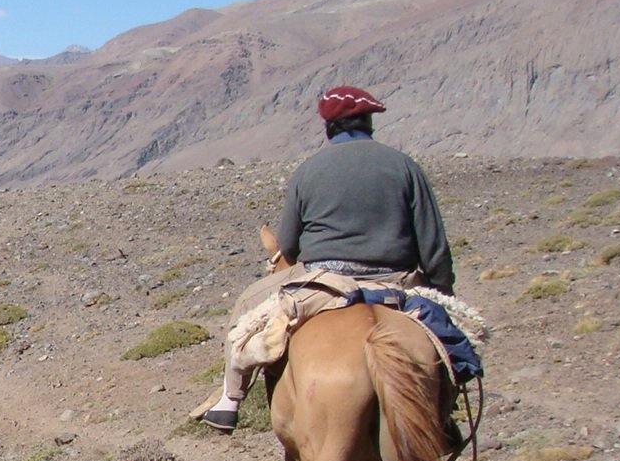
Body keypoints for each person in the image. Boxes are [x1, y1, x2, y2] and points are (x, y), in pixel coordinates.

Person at [195, 85, 455, 433]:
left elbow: (288, 244)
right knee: (453, 342)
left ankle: (230, 399)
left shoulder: (309, 170)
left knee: (246, 308)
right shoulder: (405, 166)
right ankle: (445, 415)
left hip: (324, 280)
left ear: (329, 127)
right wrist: (444, 292)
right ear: (368, 123)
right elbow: (433, 245)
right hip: (398, 280)